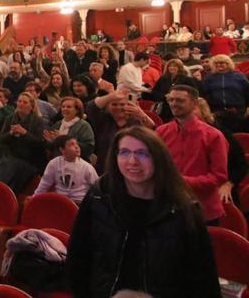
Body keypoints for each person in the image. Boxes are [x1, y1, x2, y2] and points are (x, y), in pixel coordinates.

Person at [67, 126, 221, 298]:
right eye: (124, 152)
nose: (132, 161)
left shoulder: (182, 208)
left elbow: (203, 277)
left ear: (158, 158)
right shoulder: (99, 197)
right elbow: (78, 257)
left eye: (142, 153)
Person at [156, 85, 228, 224]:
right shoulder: (161, 132)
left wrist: (182, 181)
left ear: (195, 103)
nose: (173, 104)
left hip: (203, 210)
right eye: (171, 100)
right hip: (168, 207)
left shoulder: (213, 136)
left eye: (180, 100)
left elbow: (219, 176)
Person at [0, 92, 48, 193]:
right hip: (11, 157)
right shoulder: (10, 119)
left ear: (31, 106)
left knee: (10, 168)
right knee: (6, 163)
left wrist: (25, 133)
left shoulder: (38, 121)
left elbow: (41, 144)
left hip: (30, 160)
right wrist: (11, 133)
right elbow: (1, 140)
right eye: (19, 101)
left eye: (25, 102)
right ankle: (4, 194)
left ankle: (2, 193)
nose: (21, 104)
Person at [34, 136, 98, 204]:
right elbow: (44, 184)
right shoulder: (54, 163)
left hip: (79, 203)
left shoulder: (86, 167)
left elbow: (97, 187)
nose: (77, 147)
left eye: (76, 144)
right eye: (71, 144)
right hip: (60, 201)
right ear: (62, 150)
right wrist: (34, 198)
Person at [47, 97, 95, 162]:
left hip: (78, 162)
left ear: (77, 110)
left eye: (69, 107)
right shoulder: (57, 124)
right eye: (63, 107)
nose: (65, 109)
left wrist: (64, 140)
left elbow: (88, 148)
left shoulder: (84, 125)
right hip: (58, 162)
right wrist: (50, 142)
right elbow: (52, 148)